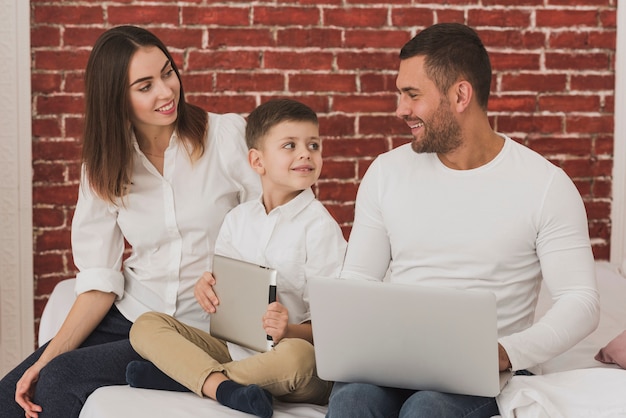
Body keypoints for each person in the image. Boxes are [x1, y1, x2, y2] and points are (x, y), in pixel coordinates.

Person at [325, 22, 600, 418]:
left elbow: (582, 302)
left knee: (425, 411)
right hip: (396, 355)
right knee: (352, 401)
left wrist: (505, 353)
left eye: (412, 95)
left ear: (460, 95)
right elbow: (357, 282)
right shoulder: (386, 172)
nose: (400, 109)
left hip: (488, 369)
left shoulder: (545, 186)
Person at [0, 25, 261, 418]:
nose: (166, 91)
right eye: (145, 86)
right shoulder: (103, 168)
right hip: (135, 313)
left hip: (201, 327)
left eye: (167, 72)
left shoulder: (226, 137)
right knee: (11, 393)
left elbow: (272, 225)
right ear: (115, 99)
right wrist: (44, 357)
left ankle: (180, 371)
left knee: (62, 378)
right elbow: (99, 280)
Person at [127, 98, 347, 418]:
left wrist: (288, 331)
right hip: (234, 351)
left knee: (299, 356)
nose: (305, 153)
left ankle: (194, 378)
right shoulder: (237, 219)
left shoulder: (321, 229)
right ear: (257, 161)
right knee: (146, 325)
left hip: (293, 359)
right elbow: (226, 293)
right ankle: (222, 384)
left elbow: (335, 327)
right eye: (290, 145)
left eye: (313, 145)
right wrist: (208, 287)